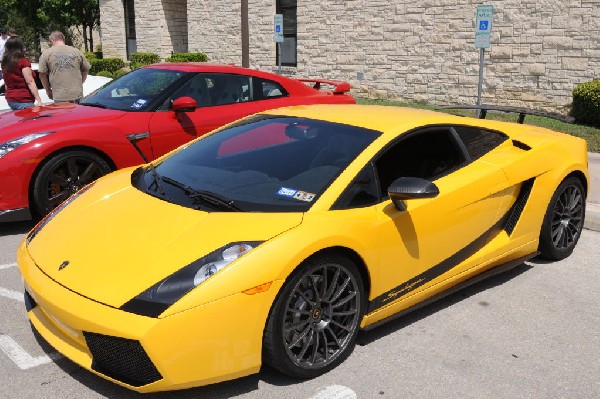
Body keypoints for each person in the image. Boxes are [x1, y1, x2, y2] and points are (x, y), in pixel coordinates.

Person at [38, 30, 91, 103]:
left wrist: (48, 90)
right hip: (77, 93)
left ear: (52, 40)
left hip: (59, 95)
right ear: (63, 39)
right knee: (78, 114)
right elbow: (86, 69)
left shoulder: (46, 54)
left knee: (63, 114)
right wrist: (80, 82)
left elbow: (42, 74)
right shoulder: (76, 51)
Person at [0, 36, 43, 110]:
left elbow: (6, 83)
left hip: (11, 99)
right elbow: (30, 81)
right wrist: (39, 100)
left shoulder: (5, 63)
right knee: (29, 120)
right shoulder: (23, 61)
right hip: (23, 98)